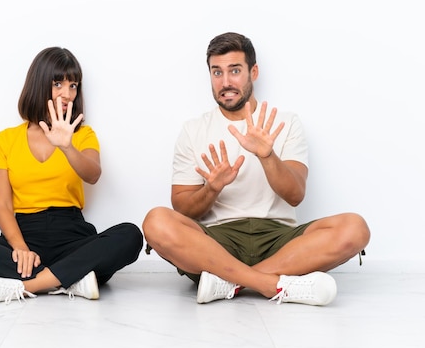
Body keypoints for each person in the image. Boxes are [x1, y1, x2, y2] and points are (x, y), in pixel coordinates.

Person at [142, 32, 370, 306]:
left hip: (280, 240)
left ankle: (230, 282)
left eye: (235, 71)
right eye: (217, 72)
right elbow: (182, 209)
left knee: (355, 228)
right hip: (216, 243)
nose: (225, 82)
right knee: (155, 221)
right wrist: (212, 189)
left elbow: (296, 195)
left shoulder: (286, 122)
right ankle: (271, 284)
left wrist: (267, 156)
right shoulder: (193, 130)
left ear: (254, 72)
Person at [0, 47, 143, 305]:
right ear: (39, 84)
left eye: (73, 86)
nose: (67, 94)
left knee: (130, 235)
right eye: (58, 83)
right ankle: (71, 277)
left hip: (72, 236)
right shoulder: (6, 139)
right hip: (24, 237)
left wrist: (67, 146)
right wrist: (21, 249)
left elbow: (93, 175)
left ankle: (28, 285)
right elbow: (1, 203)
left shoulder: (82, 135)